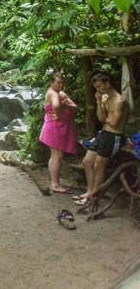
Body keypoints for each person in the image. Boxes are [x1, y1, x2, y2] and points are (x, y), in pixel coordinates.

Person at [75, 74, 127, 207]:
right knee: (87, 161)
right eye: (95, 88)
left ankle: (95, 195)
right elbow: (101, 118)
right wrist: (99, 102)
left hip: (114, 136)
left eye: (99, 86)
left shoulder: (118, 100)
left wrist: (106, 115)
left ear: (107, 84)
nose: (97, 90)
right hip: (103, 133)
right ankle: (89, 191)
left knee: (99, 164)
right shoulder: (104, 98)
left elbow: (114, 123)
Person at [39, 72, 79, 194]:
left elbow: (75, 107)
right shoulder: (53, 93)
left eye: (62, 83)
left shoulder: (59, 93)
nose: (61, 85)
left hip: (59, 126)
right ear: (51, 83)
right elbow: (56, 105)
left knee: (56, 156)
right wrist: (59, 111)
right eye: (58, 83)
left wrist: (65, 105)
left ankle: (55, 183)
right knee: (57, 156)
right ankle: (55, 184)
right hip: (55, 127)